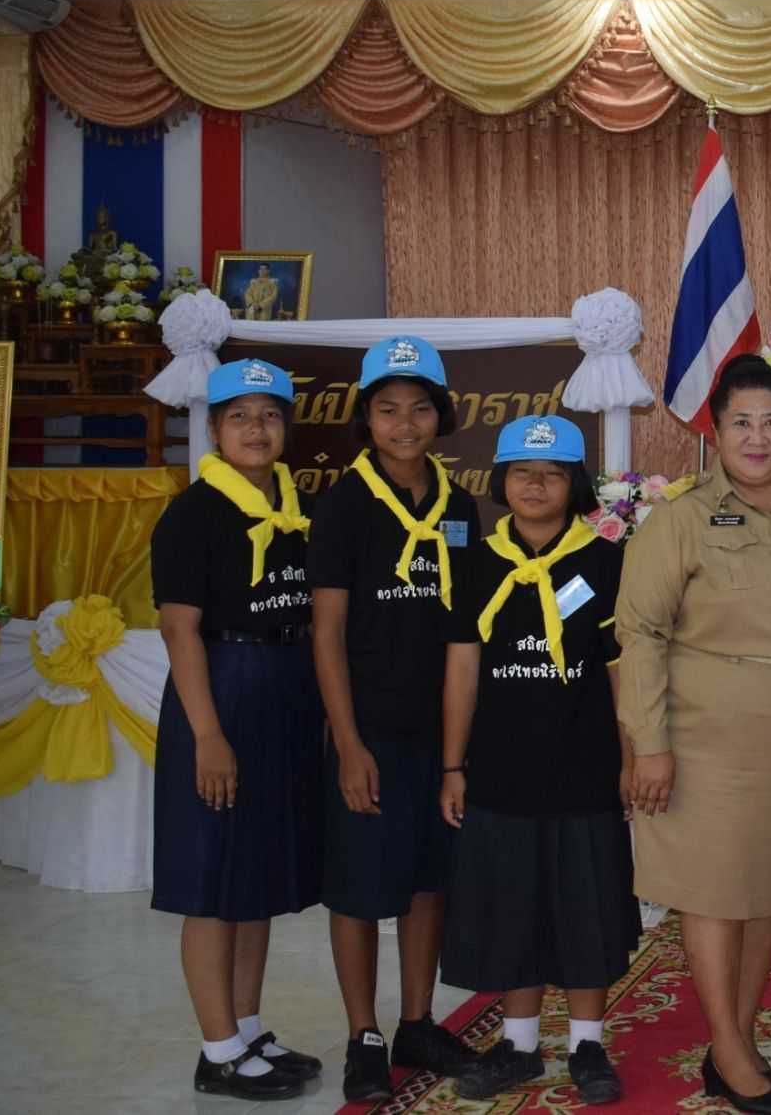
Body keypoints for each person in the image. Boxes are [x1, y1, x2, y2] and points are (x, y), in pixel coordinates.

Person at [614, 354, 771, 1115]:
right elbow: (641, 632)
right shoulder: (680, 520)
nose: (757, 438)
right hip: (705, 741)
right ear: (716, 433)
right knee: (715, 894)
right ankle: (727, 1046)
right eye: (741, 423)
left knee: (766, 894)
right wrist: (648, 744)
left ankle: (737, 1039)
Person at [439, 415, 636, 1106]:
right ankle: (519, 1044)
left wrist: (630, 757)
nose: (535, 485)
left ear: (574, 485)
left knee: (586, 905)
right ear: (501, 480)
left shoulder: (606, 561)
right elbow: (462, 668)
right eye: (522, 472)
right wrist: (452, 765)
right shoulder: (477, 561)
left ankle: (587, 1042)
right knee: (512, 907)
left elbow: (621, 670)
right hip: (499, 769)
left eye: (552, 474)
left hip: (584, 766)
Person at [308, 335, 484, 1102]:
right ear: (366, 417)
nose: (404, 424)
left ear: (441, 415)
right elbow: (326, 633)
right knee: (358, 885)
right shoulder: (344, 505)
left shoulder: (459, 507)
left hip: (439, 732)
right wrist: (348, 743)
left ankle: (417, 1021)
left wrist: (456, 755)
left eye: (419, 408)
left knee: (428, 880)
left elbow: (464, 633)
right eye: (387, 409)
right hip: (369, 732)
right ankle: (364, 1035)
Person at [150, 358, 323, 1101]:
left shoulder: (293, 506)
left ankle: (247, 1030)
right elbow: (179, 628)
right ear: (215, 429)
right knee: (214, 880)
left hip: (282, 691)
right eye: (241, 416)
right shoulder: (195, 513)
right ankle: (217, 1049)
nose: (257, 428)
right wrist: (208, 735)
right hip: (222, 692)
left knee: (256, 877)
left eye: (271, 415)